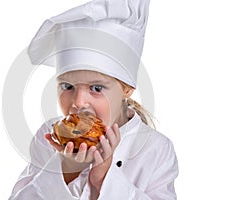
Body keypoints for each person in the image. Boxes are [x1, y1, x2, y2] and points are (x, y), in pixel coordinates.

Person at [9, 0, 178, 199]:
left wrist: (105, 178)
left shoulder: (156, 150)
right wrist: (66, 170)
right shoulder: (48, 138)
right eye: (67, 86)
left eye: (96, 88)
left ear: (127, 89)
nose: (78, 102)